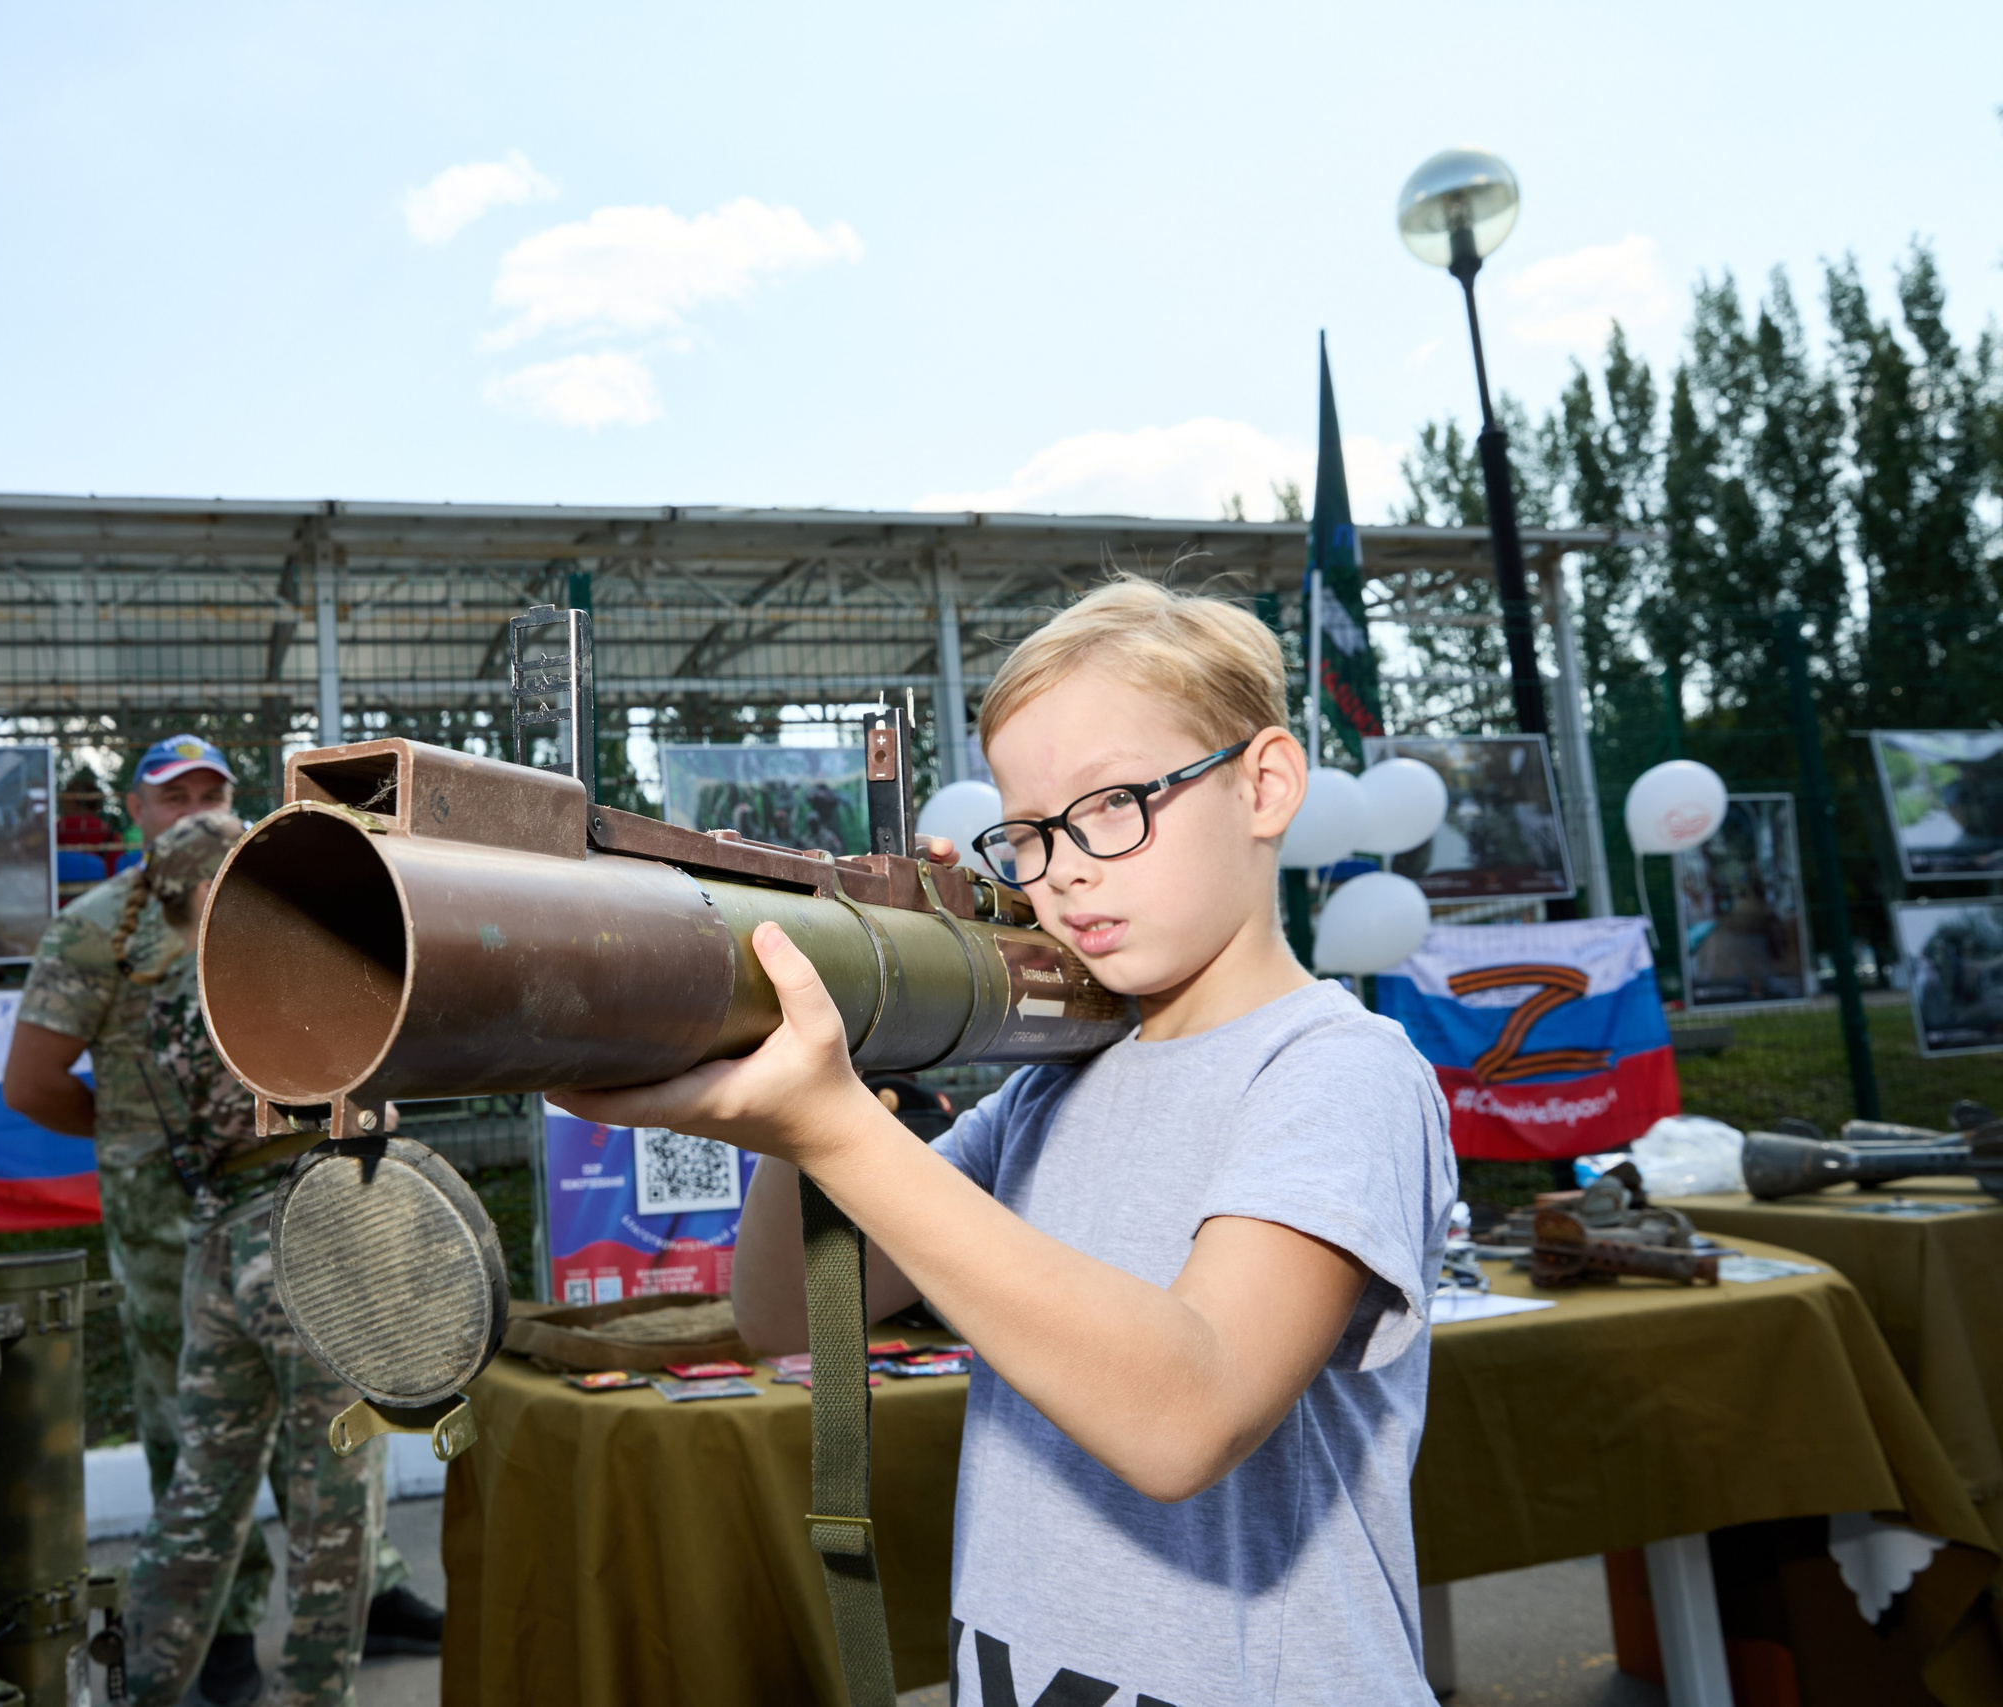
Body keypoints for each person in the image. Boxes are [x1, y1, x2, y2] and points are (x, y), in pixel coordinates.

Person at [559, 577, 1455, 1704]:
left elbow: (1188, 1417)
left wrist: (836, 1132)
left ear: (1263, 784)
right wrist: (814, 1067)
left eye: (1113, 803)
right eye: (1028, 831)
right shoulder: (1051, 1086)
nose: (1065, 867)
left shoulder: (1337, 1070)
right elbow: (782, 1309)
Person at [124, 811, 435, 1707]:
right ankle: (308, 1694)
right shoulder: (263, 967)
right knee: (333, 1498)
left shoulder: (162, 997)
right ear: (222, 886)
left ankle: (138, 1683)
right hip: (303, 1235)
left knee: (200, 1497)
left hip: (216, 1246)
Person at [2, 734, 280, 1699]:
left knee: (330, 1390)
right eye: (176, 796)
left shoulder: (282, 906)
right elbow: (31, 1083)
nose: (199, 810)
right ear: (137, 810)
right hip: (170, 1218)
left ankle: (377, 1584)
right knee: (191, 1419)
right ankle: (227, 1630)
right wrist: (134, 1139)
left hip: (291, 1191)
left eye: (215, 791)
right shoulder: (97, 927)